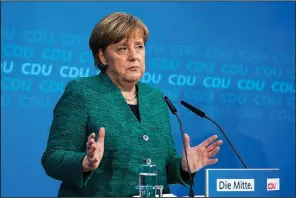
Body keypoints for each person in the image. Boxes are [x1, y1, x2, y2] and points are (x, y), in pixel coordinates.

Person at [41, 12, 223, 197]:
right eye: (122, 49)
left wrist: (184, 167)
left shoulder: (155, 97)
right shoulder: (83, 92)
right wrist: (85, 163)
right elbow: (52, 158)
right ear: (102, 56)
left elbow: (162, 168)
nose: (134, 56)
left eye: (139, 47)